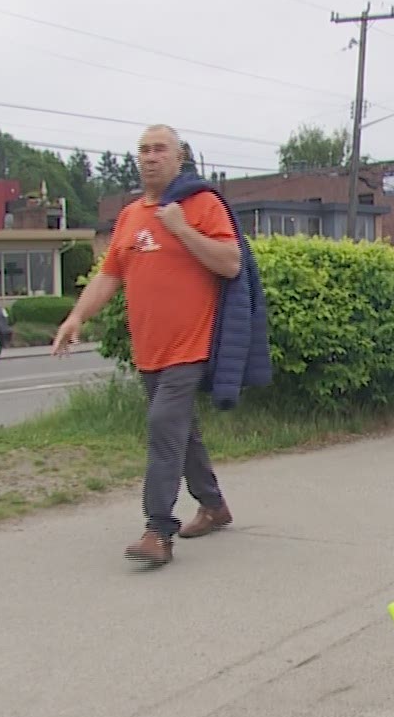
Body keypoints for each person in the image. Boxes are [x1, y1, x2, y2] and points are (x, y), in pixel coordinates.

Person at [53, 124, 262, 566]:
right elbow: (109, 275)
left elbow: (230, 262)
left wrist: (182, 228)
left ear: (179, 157)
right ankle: (213, 505)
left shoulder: (201, 204)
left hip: (192, 345)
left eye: (159, 149)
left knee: (164, 427)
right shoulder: (130, 216)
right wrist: (76, 316)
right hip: (149, 349)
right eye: (143, 150)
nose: (150, 157)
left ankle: (158, 530)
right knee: (181, 433)